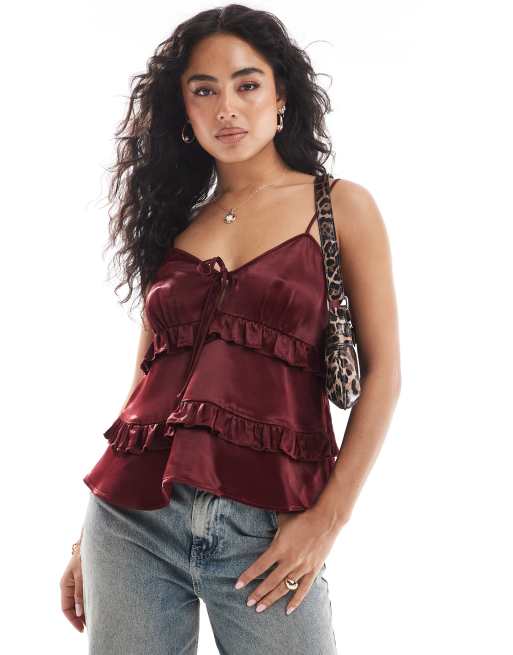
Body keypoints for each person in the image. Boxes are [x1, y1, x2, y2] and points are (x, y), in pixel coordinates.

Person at [59, 4, 401, 653]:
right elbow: (143, 384)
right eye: (204, 90)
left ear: (281, 97)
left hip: (267, 528)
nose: (227, 109)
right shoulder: (176, 227)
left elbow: (384, 375)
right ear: (184, 111)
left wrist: (327, 520)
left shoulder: (340, 206)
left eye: (247, 84)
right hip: (131, 523)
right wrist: (84, 538)